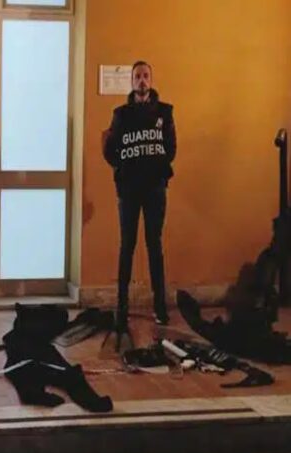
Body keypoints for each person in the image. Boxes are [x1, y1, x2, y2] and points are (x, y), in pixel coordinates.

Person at [103, 61, 177, 329]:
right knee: (127, 246)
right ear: (132, 81)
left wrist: (153, 167)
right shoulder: (120, 115)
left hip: (155, 188)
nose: (142, 80)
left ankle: (160, 306)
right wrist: (127, 169)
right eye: (137, 76)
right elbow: (110, 150)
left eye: (146, 76)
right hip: (129, 190)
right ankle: (121, 307)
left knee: (154, 246)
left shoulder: (165, 112)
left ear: (151, 80)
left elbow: (171, 148)